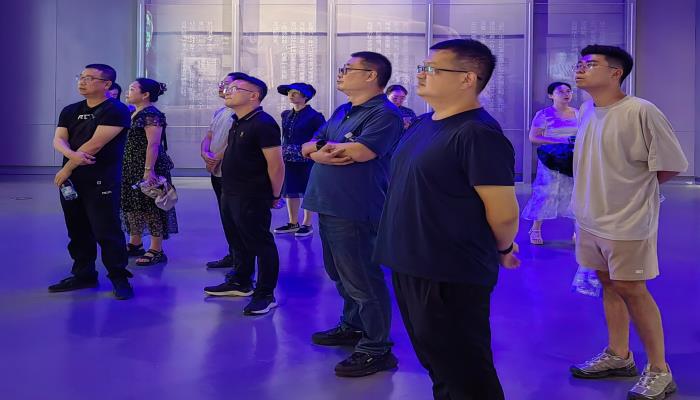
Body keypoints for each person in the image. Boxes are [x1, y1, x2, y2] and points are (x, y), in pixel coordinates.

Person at [374, 39, 519, 400]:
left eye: (432, 69)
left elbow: (503, 213)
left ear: (468, 78)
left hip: (449, 271)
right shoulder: (423, 123)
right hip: (410, 262)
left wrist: (503, 249)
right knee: (438, 363)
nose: (421, 75)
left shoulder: (477, 133)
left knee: (465, 372)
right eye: (421, 67)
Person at [569, 45, 688, 400]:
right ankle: (619, 355)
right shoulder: (586, 110)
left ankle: (659, 370)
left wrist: (634, 195)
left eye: (590, 64)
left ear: (615, 72)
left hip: (627, 221)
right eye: (580, 64)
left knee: (632, 288)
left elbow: (670, 164)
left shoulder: (641, 111)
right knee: (608, 283)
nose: (580, 69)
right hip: (589, 217)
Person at [301, 51, 403, 377]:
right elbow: (310, 144)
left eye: (348, 69)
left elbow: (360, 152)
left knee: (362, 280)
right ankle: (353, 325)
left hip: (355, 207)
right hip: (328, 204)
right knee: (340, 274)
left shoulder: (385, 114)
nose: (341, 73)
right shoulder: (344, 109)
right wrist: (321, 151)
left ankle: (376, 348)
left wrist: (319, 150)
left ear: (371, 75)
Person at [50, 64, 134, 300]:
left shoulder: (116, 110)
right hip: (71, 182)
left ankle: (119, 277)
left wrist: (67, 167)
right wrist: (73, 157)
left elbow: (95, 145)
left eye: (89, 78)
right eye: (81, 76)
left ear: (107, 84)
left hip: (101, 181)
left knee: (106, 231)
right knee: (77, 230)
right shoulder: (70, 110)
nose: (82, 81)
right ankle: (83, 274)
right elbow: (58, 140)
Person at [203, 74, 285, 316]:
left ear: (254, 96)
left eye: (235, 88)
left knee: (260, 243)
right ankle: (241, 281)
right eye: (228, 88)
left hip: (252, 195)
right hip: (230, 191)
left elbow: (276, 165)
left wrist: (275, 194)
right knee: (237, 240)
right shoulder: (237, 121)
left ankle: (265, 293)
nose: (228, 91)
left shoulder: (263, 123)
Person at [121, 78, 178, 265]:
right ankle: (135, 242)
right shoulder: (134, 112)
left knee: (151, 206)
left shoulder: (151, 114)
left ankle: (156, 249)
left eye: (132, 89)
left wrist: (149, 170)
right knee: (133, 205)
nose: (128, 92)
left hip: (147, 166)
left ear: (145, 94)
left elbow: (153, 144)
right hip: (131, 166)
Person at [522, 82, 578, 245]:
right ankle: (536, 228)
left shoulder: (577, 113)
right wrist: (559, 140)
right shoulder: (543, 114)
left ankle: (577, 231)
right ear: (551, 95)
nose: (566, 94)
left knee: (575, 192)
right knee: (546, 192)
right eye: (560, 91)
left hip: (572, 159)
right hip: (551, 159)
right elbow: (534, 137)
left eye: (568, 91)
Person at [201, 72, 246, 269]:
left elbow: (234, 142)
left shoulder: (241, 115)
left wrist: (217, 158)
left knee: (237, 218)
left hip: (231, 171)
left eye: (227, 84)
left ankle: (241, 263)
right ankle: (233, 254)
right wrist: (205, 153)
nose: (222, 87)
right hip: (217, 172)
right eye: (222, 83)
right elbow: (209, 136)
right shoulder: (220, 112)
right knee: (225, 216)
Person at [273, 82, 325, 237]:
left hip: (307, 158)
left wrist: (311, 150)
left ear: (305, 96)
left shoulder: (315, 116)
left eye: (295, 92)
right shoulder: (286, 115)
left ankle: (307, 223)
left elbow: (320, 137)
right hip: (288, 157)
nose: (291, 95)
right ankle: (293, 222)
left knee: (308, 189)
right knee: (291, 189)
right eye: (290, 92)